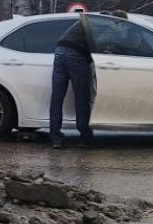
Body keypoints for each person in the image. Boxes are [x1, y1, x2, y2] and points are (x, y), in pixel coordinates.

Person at [49, 9, 127, 149]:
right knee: (81, 98)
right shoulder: (107, 25)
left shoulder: (92, 20)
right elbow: (102, 46)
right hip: (76, 56)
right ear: (119, 21)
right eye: (123, 24)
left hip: (59, 52)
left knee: (57, 98)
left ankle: (55, 137)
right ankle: (85, 137)